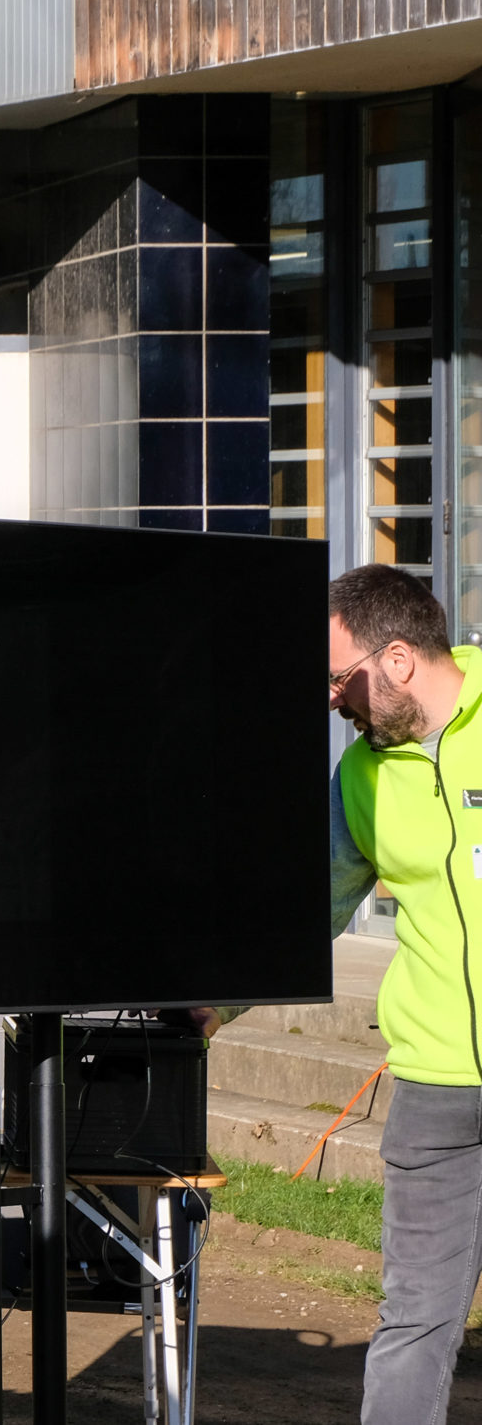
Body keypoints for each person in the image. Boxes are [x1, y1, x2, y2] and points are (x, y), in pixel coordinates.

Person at [327, 564, 482, 1425]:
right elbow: (312, 903)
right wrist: (212, 1002)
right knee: (415, 1322)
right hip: (435, 1089)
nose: (334, 699)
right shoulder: (361, 777)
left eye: (341, 678)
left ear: (396, 659)